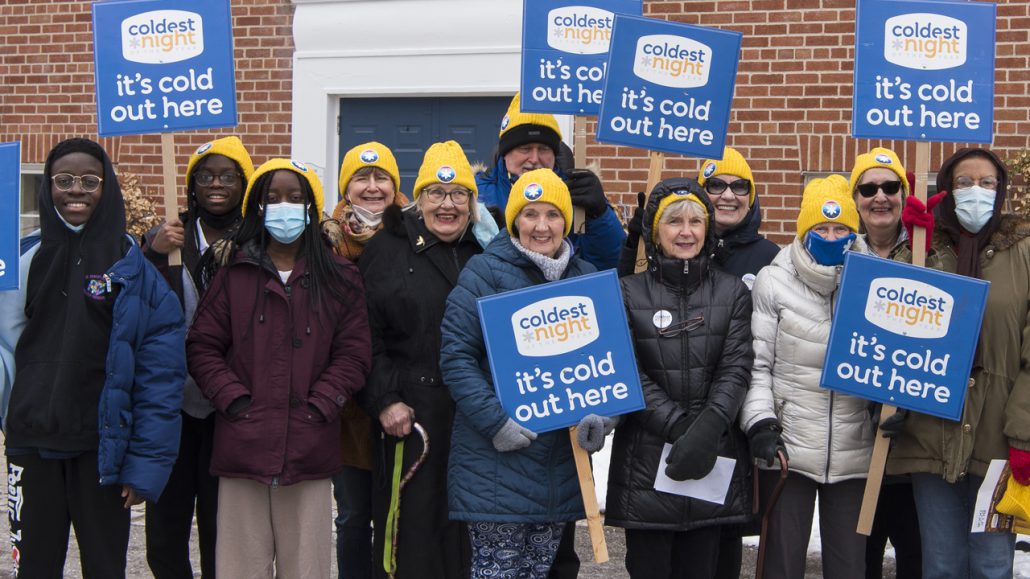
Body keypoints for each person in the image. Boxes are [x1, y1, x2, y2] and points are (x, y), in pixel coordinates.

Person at [0, 137, 185, 578]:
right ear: (47, 187)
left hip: (103, 452)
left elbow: (160, 373)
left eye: (90, 180)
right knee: (34, 569)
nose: (76, 190)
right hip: (32, 446)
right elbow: (5, 347)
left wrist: (144, 465)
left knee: (105, 568)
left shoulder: (132, 265)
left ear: (108, 187)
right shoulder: (22, 257)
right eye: (63, 181)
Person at [187, 158, 371, 579]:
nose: (283, 207)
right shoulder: (234, 273)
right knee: (239, 568)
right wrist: (233, 401)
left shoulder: (339, 277)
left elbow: (355, 354)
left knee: (306, 569)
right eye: (272, 198)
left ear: (311, 206)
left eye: (294, 197)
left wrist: (321, 405)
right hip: (242, 446)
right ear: (257, 208)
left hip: (310, 447)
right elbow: (202, 345)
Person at [440, 168, 613, 578]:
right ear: (514, 219)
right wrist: (496, 422)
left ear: (566, 222)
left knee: (536, 573)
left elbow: (610, 367)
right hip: (497, 464)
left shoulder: (587, 280)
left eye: (553, 214)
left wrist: (604, 417)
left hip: (558, 468)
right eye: (530, 213)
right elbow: (456, 357)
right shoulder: (483, 273)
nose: (541, 226)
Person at [886, 147, 1030, 578]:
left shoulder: (1024, 252)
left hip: (998, 438)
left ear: (1000, 190)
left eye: (987, 183)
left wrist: (1023, 432)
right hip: (932, 434)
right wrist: (911, 248)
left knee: (991, 564)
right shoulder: (928, 246)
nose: (976, 192)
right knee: (942, 564)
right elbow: (893, 320)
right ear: (946, 190)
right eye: (964, 182)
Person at [606, 178, 754, 578]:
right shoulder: (626, 293)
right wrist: (677, 425)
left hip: (713, 459)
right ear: (656, 231)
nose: (686, 232)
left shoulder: (733, 291)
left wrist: (707, 428)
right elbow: (627, 372)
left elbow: (736, 366)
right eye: (674, 222)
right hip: (647, 463)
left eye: (695, 221)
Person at [359, 140, 489, 578]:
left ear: (473, 203)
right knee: (409, 534)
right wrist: (385, 399)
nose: (447, 205)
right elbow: (365, 335)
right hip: (411, 414)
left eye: (459, 195)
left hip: (475, 416)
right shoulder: (386, 250)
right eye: (436, 192)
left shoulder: (489, 252)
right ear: (419, 199)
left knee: (467, 534)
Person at [740, 174, 872, 579]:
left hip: (855, 447)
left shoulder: (875, 283)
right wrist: (760, 422)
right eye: (821, 228)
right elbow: (757, 364)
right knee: (781, 561)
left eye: (841, 229)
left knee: (850, 565)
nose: (831, 237)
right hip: (789, 448)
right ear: (804, 230)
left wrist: (889, 408)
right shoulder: (773, 281)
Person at [142, 135, 255, 579]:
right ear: (190, 184)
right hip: (172, 403)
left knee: (221, 529)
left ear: (244, 183)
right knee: (165, 534)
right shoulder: (169, 237)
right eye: (205, 175)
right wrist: (152, 253)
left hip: (230, 404)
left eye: (228, 176)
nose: (216, 184)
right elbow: (136, 299)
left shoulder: (258, 238)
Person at [327, 141, 408, 579]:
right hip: (348, 409)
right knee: (354, 515)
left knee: (396, 515)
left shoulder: (417, 234)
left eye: (383, 179)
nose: (373, 187)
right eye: (362, 178)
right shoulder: (325, 241)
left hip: (401, 395)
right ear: (346, 188)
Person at [848, 147, 923, 579]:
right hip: (856, 451)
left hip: (914, 451)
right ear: (856, 197)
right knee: (861, 562)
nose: (881, 197)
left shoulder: (928, 256)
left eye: (891, 187)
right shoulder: (838, 257)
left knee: (917, 558)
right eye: (869, 188)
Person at [476, 92, 624, 272]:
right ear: (505, 153)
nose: (534, 158)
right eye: (525, 148)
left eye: (544, 149)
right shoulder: (476, 195)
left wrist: (600, 215)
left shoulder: (580, 192)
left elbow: (611, 264)